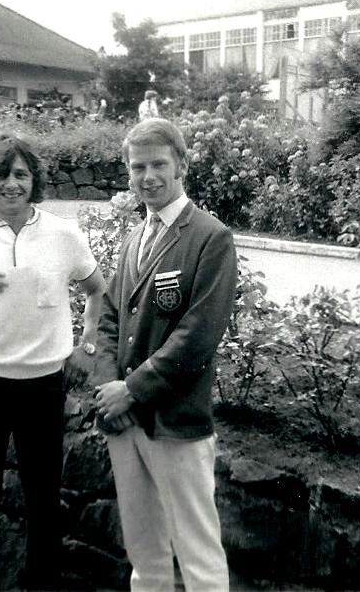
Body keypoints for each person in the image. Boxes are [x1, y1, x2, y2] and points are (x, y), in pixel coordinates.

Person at [0, 132, 105, 592]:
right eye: (2, 174)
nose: (12, 184)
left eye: (21, 174)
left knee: (44, 504)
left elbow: (97, 290)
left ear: (35, 181)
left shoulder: (64, 234)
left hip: (44, 387)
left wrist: (86, 345)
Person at [93, 118, 237, 592]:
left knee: (198, 555)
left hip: (175, 421)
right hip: (126, 422)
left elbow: (198, 334)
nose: (148, 176)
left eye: (158, 164)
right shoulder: (135, 236)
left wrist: (130, 390)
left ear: (182, 166)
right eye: (138, 167)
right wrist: (106, 388)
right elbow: (112, 314)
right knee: (144, 551)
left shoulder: (209, 237)